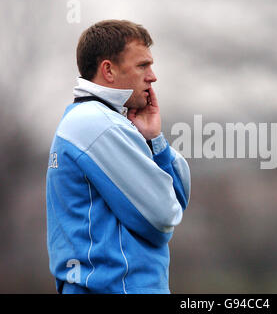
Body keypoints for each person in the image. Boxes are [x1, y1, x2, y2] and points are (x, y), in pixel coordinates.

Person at [46, 20, 190, 294]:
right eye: (142, 65)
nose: (152, 76)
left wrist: (153, 139)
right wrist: (165, 214)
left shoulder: (99, 121)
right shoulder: (96, 124)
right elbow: (163, 218)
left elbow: (177, 202)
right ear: (108, 70)